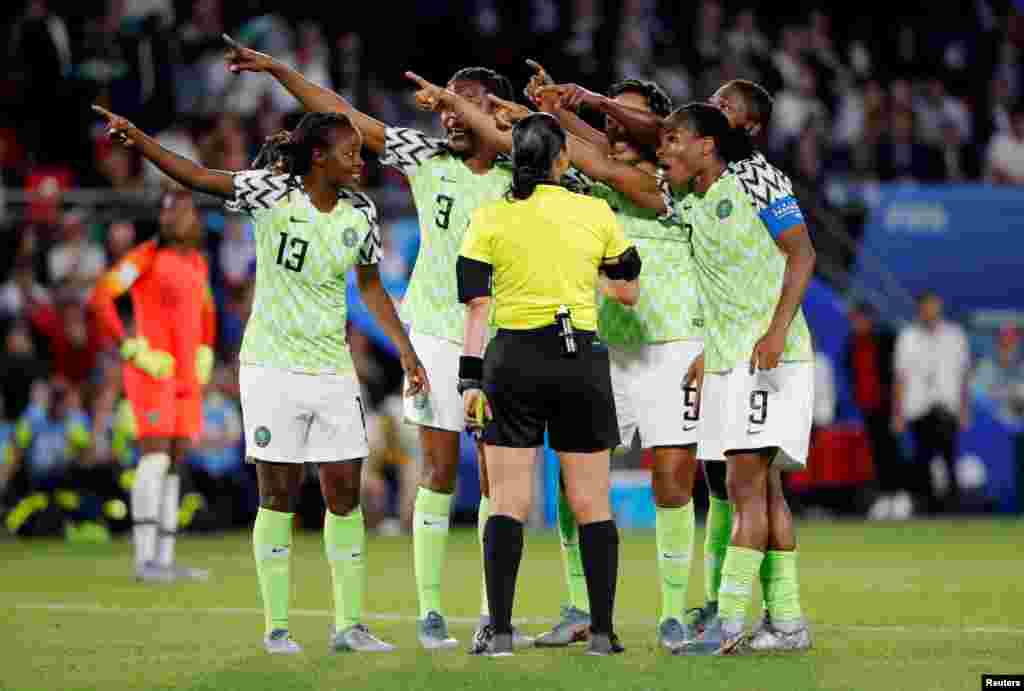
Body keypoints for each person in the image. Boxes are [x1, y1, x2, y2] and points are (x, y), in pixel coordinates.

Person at [223, 36, 528, 650]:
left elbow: (570, 156)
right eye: (445, 103)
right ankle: (431, 612)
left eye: (464, 102)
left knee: (502, 481)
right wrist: (281, 69)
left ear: (498, 112)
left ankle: (494, 613)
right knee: (438, 470)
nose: (448, 114)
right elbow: (342, 115)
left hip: (506, 333)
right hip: (436, 332)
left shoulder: (522, 171)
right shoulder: (425, 156)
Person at [91, 104, 428, 655]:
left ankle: (349, 626)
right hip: (271, 369)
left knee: (345, 494)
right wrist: (139, 139)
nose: (360, 162)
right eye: (349, 153)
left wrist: (406, 350)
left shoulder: (361, 212)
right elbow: (196, 175)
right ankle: (277, 628)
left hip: (333, 368)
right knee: (278, 495)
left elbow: (370, 287)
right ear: (318, 156)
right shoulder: (271, 194)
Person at [518, 64, 706, 651]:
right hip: (603, 347)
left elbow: (601, 157)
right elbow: (592, 150)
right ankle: (579, 606)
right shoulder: (591, 179)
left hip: (673, 345)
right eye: (612, 118)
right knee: (576, 483)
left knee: (672, 481)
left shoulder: (674, 184)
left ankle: (673, 613)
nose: (617, 126)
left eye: (630, 117)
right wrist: (545, 111)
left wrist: (551, 113)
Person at [457, 112, 640, 657]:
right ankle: (602, 634)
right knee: (592, 503)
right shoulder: (595, 211)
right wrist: (585, 273)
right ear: (563, 160)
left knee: (508, 502)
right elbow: (629, 287)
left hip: (512, 359)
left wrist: (469, 381)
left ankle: (500, 633)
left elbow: (477, 306)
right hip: (579, 358)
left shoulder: (489, 216)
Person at [89, 181, 216, 583]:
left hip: (186, 377)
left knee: (175, 463)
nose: (176, 217)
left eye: (183, 210)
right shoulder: (145, 257)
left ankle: (165, 559)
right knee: (155, 458)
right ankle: (144, 560)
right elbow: (101, 297)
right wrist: (130, 348)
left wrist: (206, 350)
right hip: (154, 372)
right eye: (169, 210)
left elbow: (207, 310)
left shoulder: (197, 263)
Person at [893, 291, 971, 514]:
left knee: (949, 460)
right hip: (918, 407)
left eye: (932, 306)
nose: (929, 311)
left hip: (947, 406)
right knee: (922, 461)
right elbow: (900, 377)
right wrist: (897, 414)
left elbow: (964, 375)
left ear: (939, 306)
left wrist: (964, 409)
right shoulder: (907, 337)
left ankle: (953, 508)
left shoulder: (955, 335)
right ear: (919, 309)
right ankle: (926, 508)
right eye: (925, 306)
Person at [842, 302, 905, 516]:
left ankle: (899, 496)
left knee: (891, 451)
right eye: (854, 320)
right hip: (866, 407)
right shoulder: (851, 343)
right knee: (877, 453)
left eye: (861, 319)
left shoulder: (886, 340)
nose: (857, 323)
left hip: (887, 404)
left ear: (870, 320)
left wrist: (897, 407)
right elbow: (851, 373)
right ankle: (885, 496)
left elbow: (897, 374)